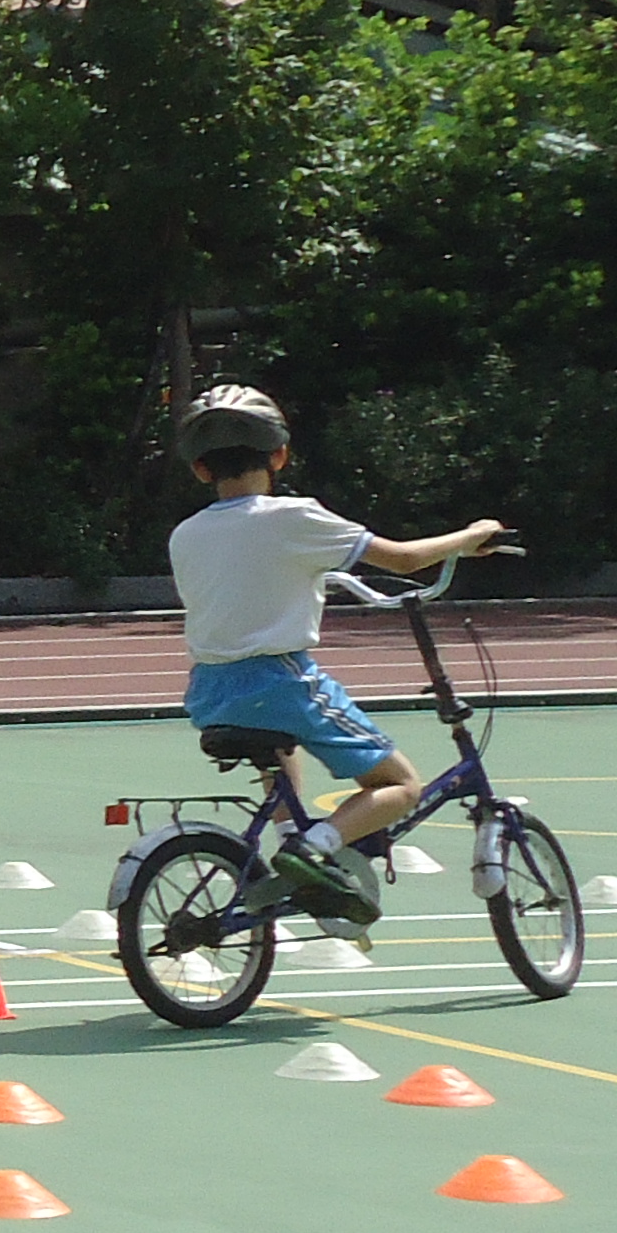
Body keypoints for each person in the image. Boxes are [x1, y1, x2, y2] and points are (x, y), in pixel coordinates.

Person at [166, 385, 508, 923]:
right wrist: (470, 536)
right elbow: (402, 560)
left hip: (210, 691)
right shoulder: (294, 517)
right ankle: (313, 849)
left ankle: (290, 839)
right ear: (280, 455)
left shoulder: (185, 535)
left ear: (200, 469)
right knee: (401, 786)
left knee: (278, 744)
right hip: (281, 680)